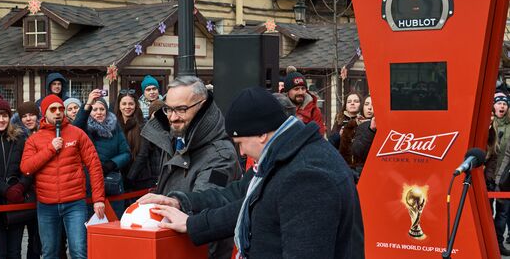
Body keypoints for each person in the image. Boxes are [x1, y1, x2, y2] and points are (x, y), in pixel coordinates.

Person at [140, 86, 365, 259]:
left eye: (240, 142)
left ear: (260, 135)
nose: (240, 150)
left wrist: (192, 223)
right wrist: (181, 204)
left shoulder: (307, 176)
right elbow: (240, 196)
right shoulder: (284, 156)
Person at [141, 76, 240, 258]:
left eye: (181, 109)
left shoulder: (221, 155)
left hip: (199, 251)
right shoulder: (174, 139)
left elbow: (208, 202)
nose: (172, 117)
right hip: (174, 246)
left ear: (202, 107)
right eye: (168, 109)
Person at [20, 94, 105, 259]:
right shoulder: (34, 139)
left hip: (75, 203)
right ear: (45, 113)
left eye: (61, 108)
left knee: (79, 251)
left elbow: (94, 165)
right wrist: (50, 149)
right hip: (46, 204)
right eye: (53, 109)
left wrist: (98, 199)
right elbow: (26, 168)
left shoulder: (77, 134)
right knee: (49, 253)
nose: (58, 112)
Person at [0, 95, 30, 259]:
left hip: (16, 200)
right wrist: (4, 189)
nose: (1, 120)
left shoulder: (19, 138)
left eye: (4, 116)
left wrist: (21, 186)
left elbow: (28, 168)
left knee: (15, 251)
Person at [77, 94, 130, 218]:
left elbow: (126, 153)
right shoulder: (83, 128)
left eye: (102, 109)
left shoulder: (115, 128)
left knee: (114, 222)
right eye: (95, 110)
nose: (99, 112)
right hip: (88, 183)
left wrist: (112, 164)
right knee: (90, 224)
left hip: (112, 181)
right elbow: (75, 126)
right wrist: (88, 104)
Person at [11, 101, 42, 259]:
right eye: (24, 116)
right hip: (24, 191)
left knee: (36, 240)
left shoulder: (45, 133)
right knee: (16, 242)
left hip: (42, 192)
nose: (28, 119)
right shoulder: (16, 137)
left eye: (31, 115)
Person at [492, 93, 510, 256]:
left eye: (505, 103)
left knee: (503, 213)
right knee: (487, 211)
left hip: (505, 177)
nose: (502, 106)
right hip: (487, 176)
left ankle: (498, 243)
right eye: (499, 103)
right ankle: (487, 240)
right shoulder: (488, 125)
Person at [283, 66, 325, 135]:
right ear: (287, 91)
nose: (301, 92)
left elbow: (319, 137)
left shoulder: (314, 110)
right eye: (296, 89)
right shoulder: (279, 108)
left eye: (303, 88)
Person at [351, 95, 376, 180]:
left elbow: (358, 151)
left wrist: (371, 130)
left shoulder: (371, 126)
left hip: (364, 170)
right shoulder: (353, 123)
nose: (369, 108)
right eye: (366, 104)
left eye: (373, 105)